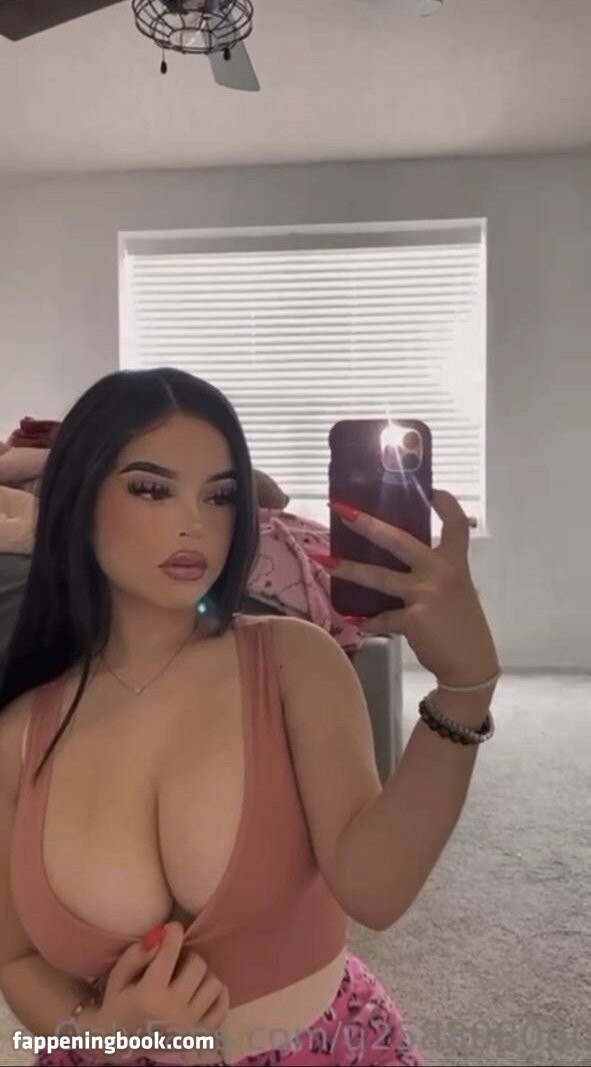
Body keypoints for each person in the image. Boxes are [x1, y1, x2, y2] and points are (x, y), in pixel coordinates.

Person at [0, 368, 500, 1067]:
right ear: (76, 497)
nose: (195, 523)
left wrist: (465, 687)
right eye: (151, 488)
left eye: (221, 495)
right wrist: (107, 1031)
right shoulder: (20, 733)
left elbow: (376, 890)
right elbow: (15, 957)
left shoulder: (293, 660)